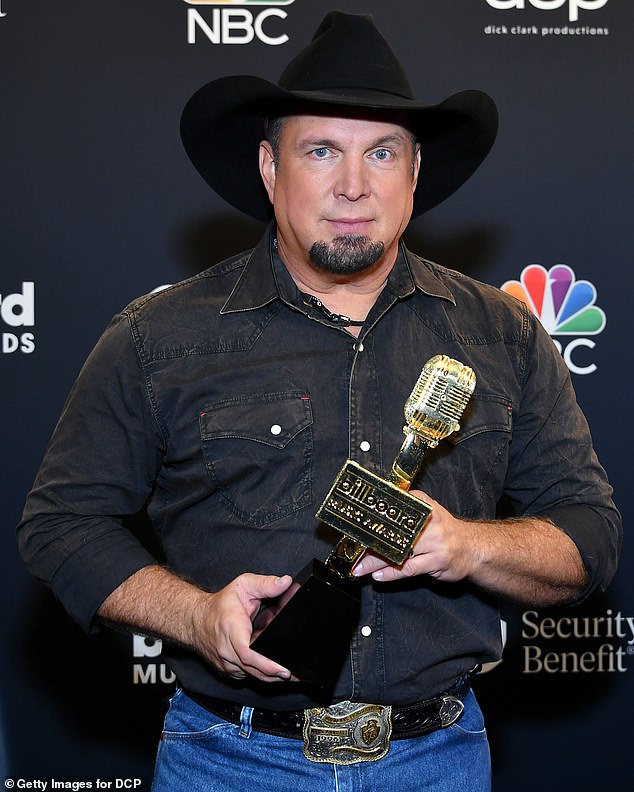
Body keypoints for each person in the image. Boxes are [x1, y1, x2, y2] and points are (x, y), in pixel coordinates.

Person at [18, 10, 621, 792]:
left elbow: (589, 537)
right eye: (321, 151)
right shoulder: (159, 336)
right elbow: (62, 527)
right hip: (227, 764)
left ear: (415, 176)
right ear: (270, 170)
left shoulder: (502, 334)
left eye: (381, 153)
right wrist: (196, 617)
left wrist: (467, 545)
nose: (352, 186)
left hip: (438, 762)